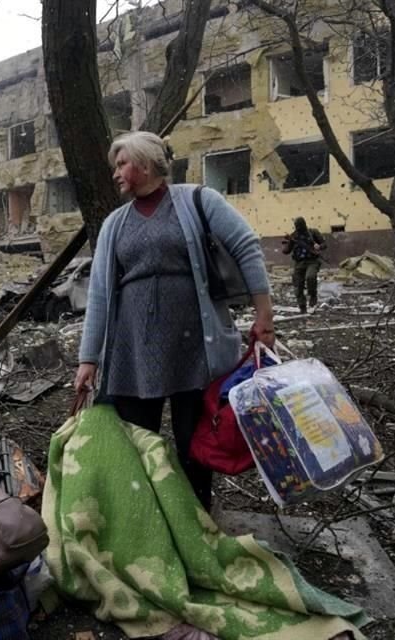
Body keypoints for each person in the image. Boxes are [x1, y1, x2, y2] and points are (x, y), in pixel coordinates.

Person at [73, 131, 275, 512]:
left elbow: (246, 246)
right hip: (134, 351)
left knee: (193, 447)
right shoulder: (115, 224)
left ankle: (197, 521)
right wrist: (89, 359)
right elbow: (99, 293)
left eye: (122, 164)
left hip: (193, 347)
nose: (115, 173)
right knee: (135, 446)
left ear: (146, 164)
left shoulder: (198, 200)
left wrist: (265, 315)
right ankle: (145, 524)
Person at [282, 217, 325, 314]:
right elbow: (286, 251)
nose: (299, 228)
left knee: (310, 277)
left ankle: (313, 296)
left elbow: (324, 244)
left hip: (312, 261)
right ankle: (302, 307)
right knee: (298, 285)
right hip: (299, 263)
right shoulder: (294, 236)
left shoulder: (313, 232)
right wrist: (287, 242)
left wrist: (319, 246)